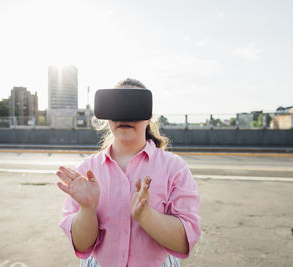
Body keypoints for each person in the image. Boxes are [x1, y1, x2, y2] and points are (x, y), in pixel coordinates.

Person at [56, 78, 201, 267]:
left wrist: (146, 216)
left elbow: (184, 244)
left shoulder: (174, 167)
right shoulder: (87, 170)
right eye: (117, 106)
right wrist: (87, 209)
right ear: (107, 114)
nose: (125, 115)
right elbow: (82, 246)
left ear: (149, 116)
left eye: (134, 106)